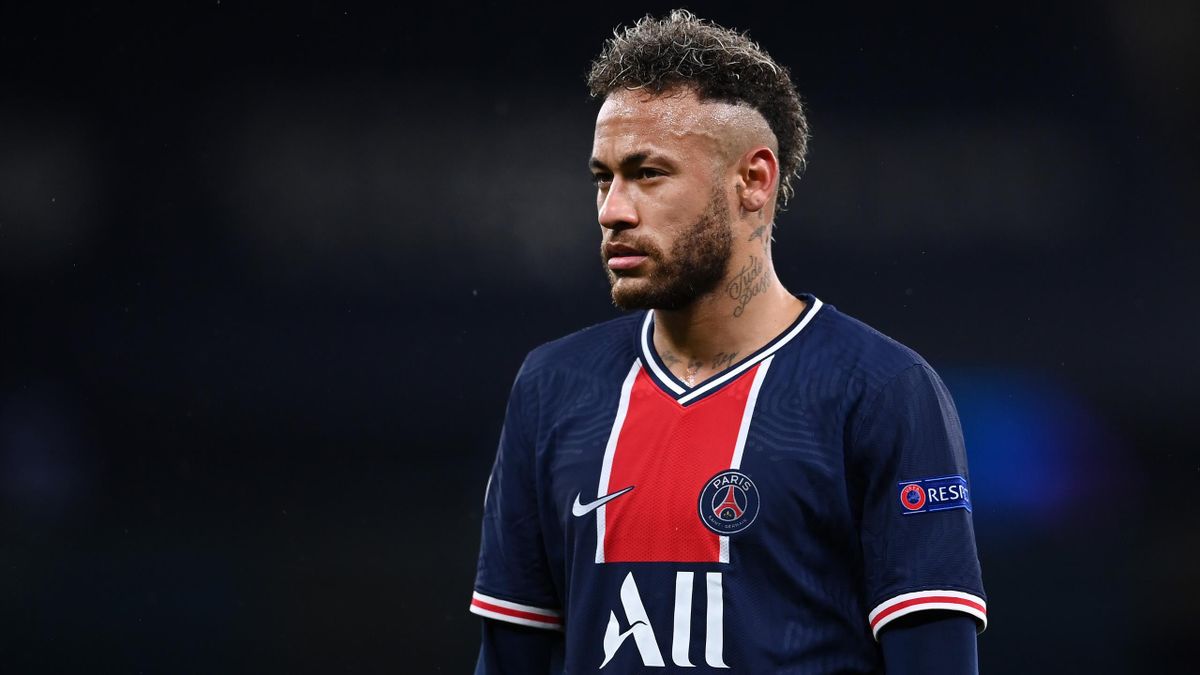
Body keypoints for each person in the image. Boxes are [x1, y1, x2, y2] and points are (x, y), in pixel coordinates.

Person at [469, 10, 985, 673]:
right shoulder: (553, 387)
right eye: (604, 177)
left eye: (648, 173)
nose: (612, 210)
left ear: (753, 181)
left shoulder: (882, 391)